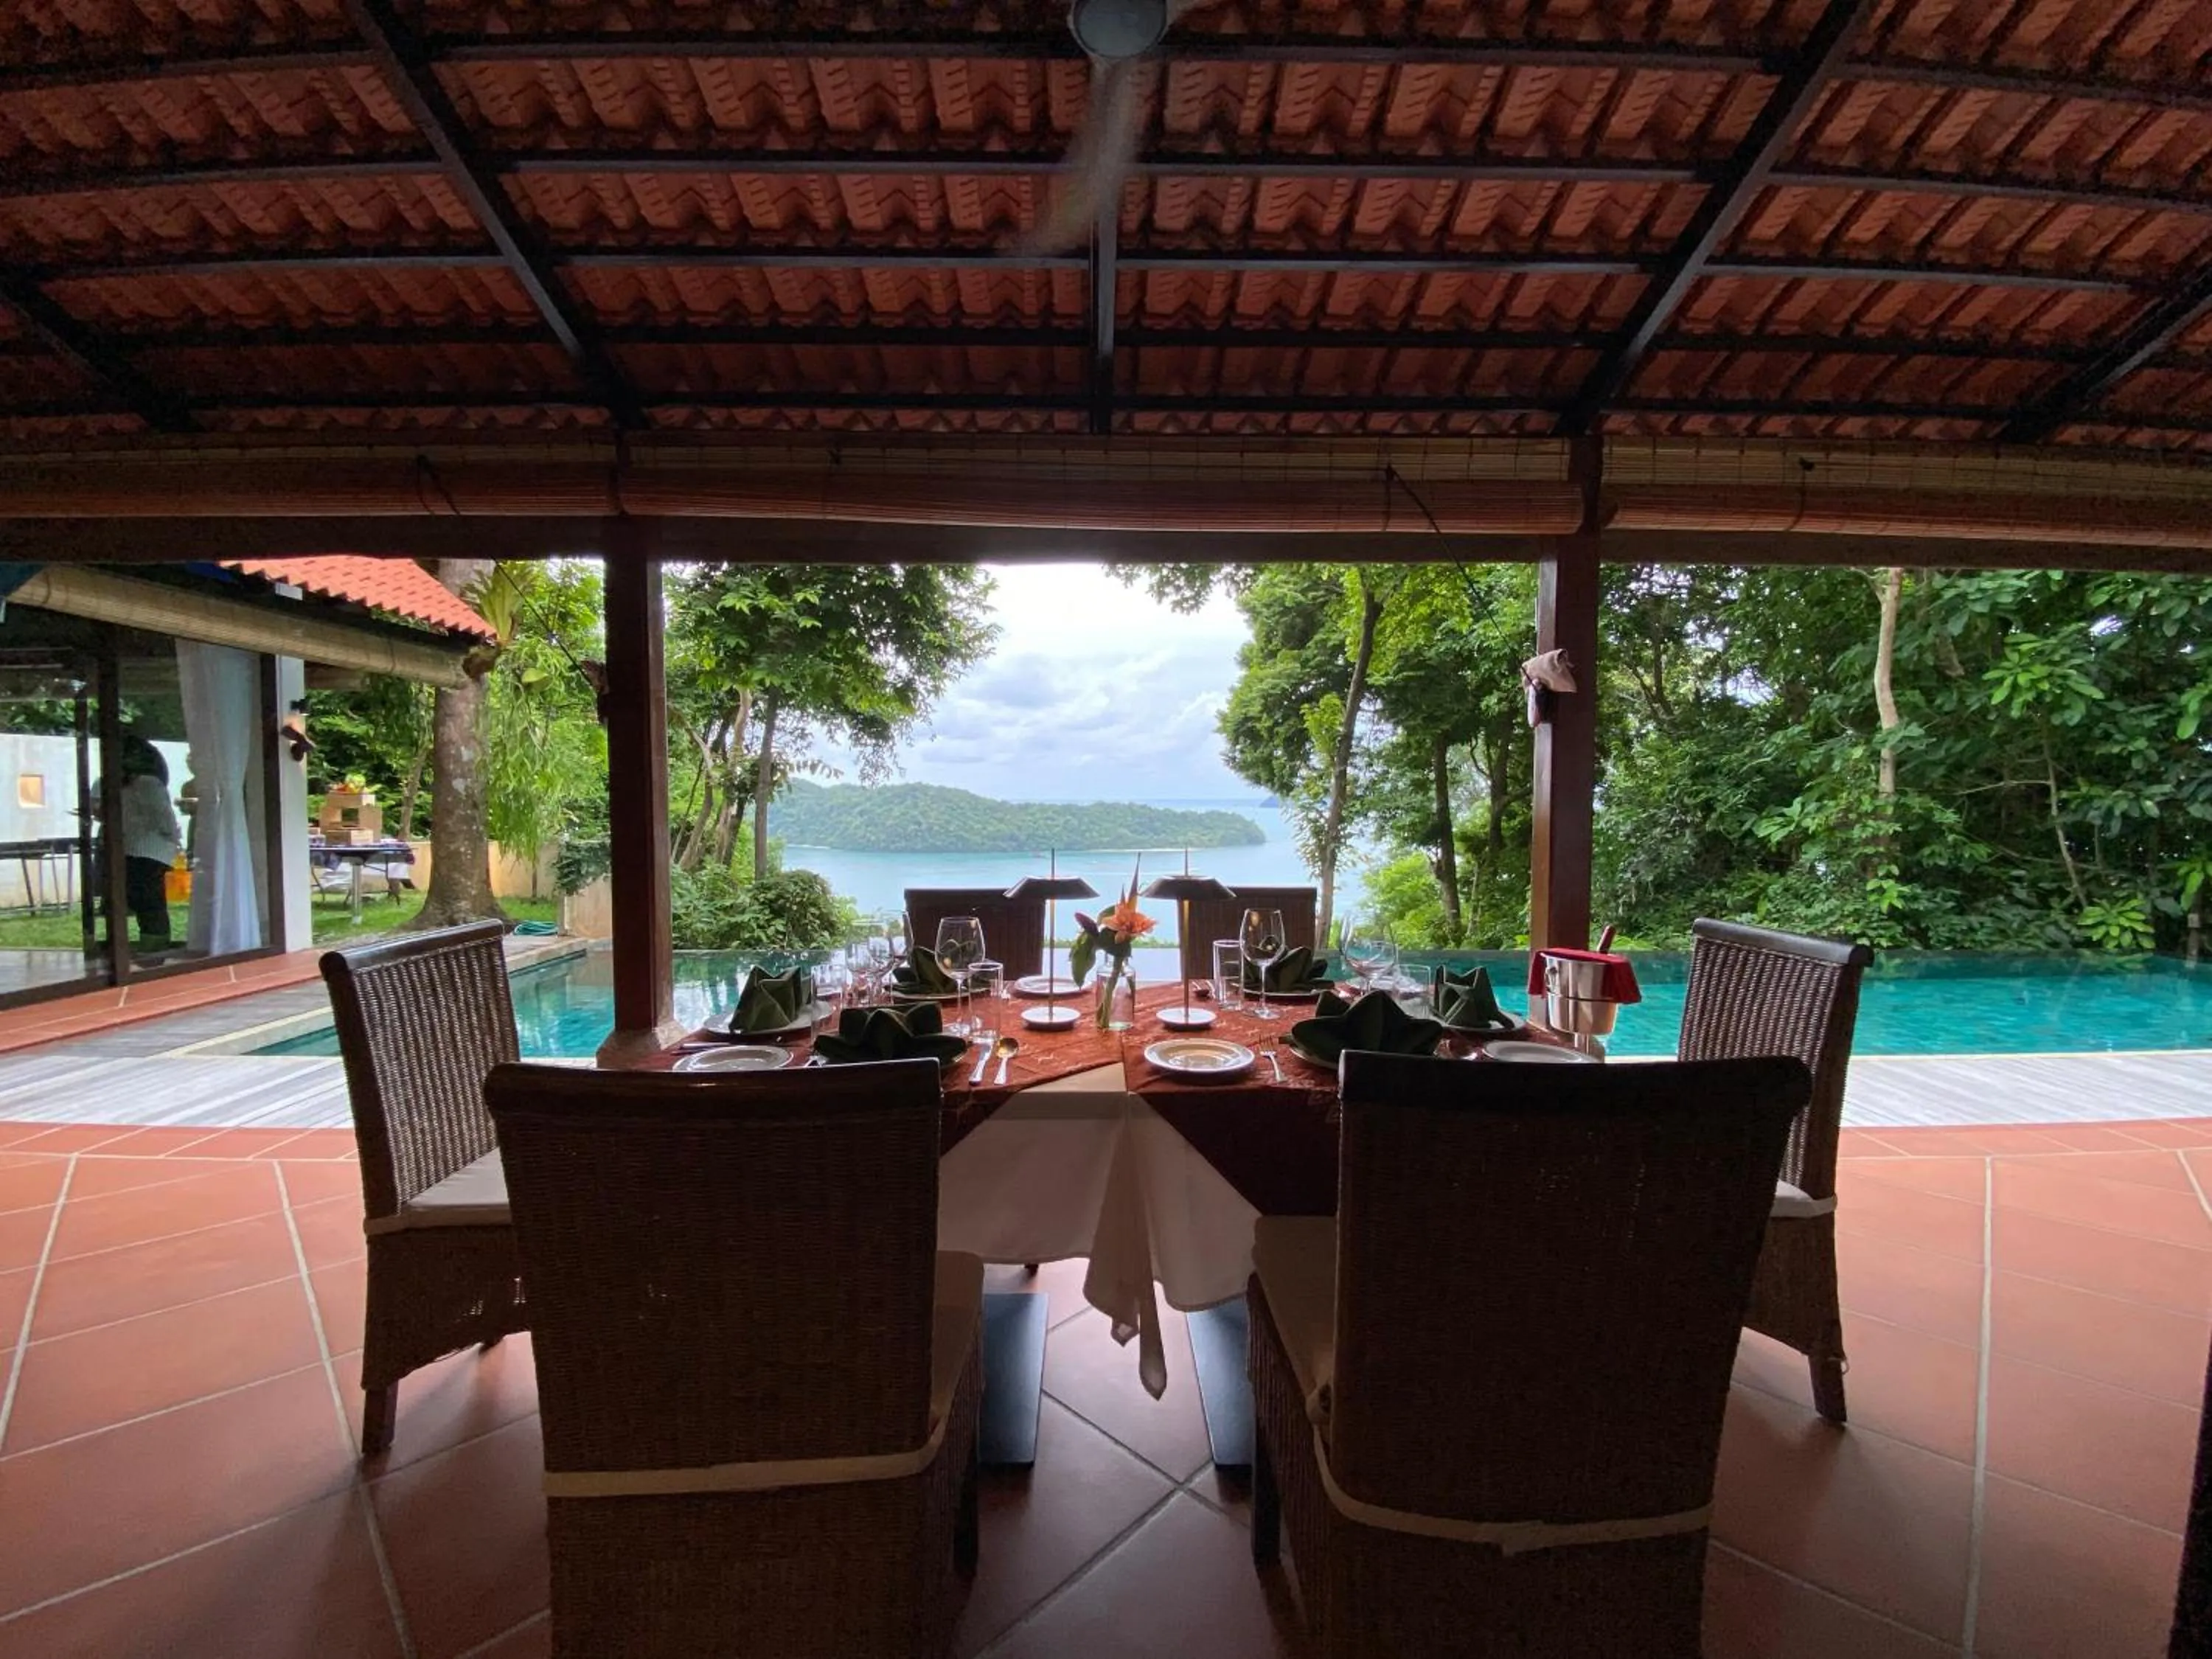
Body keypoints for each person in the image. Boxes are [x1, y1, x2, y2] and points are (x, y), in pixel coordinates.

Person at [108, 737, 182, 955]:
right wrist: (174, 838)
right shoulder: (149, 783)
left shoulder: (126, 785)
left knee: (145, 903)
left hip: (135, 849)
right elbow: (164, 818)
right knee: (151, 903)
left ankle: (152, 947)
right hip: (153, 850)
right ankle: (155, 948)